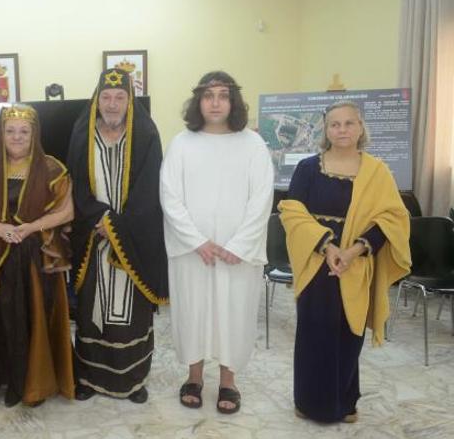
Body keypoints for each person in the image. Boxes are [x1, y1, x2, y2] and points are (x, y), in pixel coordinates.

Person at [279, 100, 410, 423]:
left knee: (348, 333)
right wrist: (327, 247)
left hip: (356, 263)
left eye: (349, 123)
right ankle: (309, 403)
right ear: (325, 130)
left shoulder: (377, 171)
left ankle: (345, 402)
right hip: (317, 261)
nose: (342, 130)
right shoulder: (308, 168)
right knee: (314, 332)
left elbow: (392, 219)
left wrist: (354, 251)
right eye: (335, 124)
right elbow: (292, 212)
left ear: (361, 127)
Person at [160, 71, 274, 414]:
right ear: (198, 102)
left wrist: (239, 245)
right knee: (193, 311)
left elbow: (262, 197)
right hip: (193, 251)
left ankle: (228, 381)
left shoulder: (252, 144)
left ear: (233, 101)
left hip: (235, 253)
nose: (215, 103)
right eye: (208, 96)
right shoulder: (182, 143)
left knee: (233, 313)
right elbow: (169, 196)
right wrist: (197, 241)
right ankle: (194, 377)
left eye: (223, 95)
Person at [0, 103, 75, 407]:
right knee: (1, 316)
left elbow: (67, 211)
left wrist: (30, 228)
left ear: (34, 134)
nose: (17, 137)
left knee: (34, 316)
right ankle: (4, 378)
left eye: (24, 131)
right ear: (1, 134)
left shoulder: (52, 168)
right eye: (10, 131)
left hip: (36, 258)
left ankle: (34, 384)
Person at [68, 68, 167, 403]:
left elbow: (149, 190)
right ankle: (88, 378)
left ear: (129, 100)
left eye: (119, 97)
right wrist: (97, 220)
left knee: (131, 316)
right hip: (92, 237)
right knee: (90, 312)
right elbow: (76, 186)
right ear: (97, 100)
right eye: (106, 97)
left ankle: (133, 381)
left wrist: (117, 226)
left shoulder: (146, 136)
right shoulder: (82, 135)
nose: (112, 104)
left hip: (132, 238)